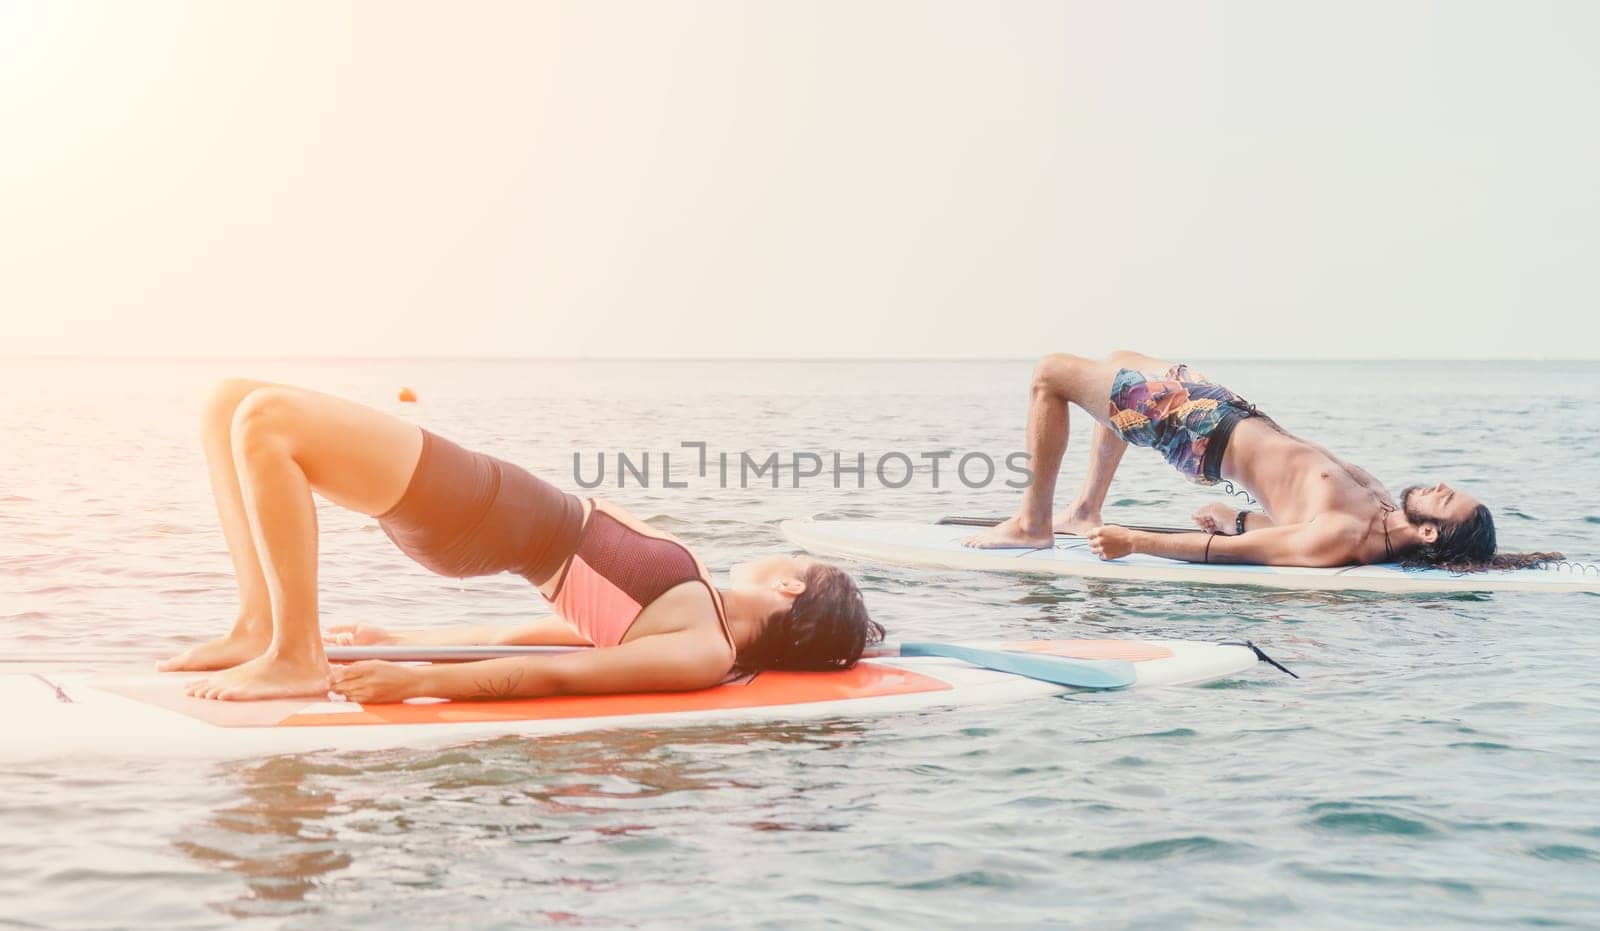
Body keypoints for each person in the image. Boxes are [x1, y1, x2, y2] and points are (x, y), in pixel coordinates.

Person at [163, 379, 883, 703]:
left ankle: (294, 653)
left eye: (795, 562)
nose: (778, 556)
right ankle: (258, 625)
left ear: (790, 586)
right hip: (488, 506)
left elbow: (557, 678)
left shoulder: (705, 648)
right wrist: (406, 637)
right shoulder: (700, 616)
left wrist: (420, 685)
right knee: (228, 402)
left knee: (266, 421)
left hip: (479, 510)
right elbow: (558, 636)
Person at [965, 350, 1556, 571]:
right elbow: (1280, 527)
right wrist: (1241, 516)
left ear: (1429, 532)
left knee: (1050, 375)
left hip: (1197, 430)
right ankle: (1083, 509)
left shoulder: (1345, 537)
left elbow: (1225, 556)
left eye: (1446, 500)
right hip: (1225, 411)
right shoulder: (1376, 514)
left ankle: (1033, 523)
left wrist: (1136, 540)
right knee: (1118, 358)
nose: (1442, 484)